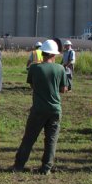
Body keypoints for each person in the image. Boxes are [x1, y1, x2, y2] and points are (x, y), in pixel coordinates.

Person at [13, 40, 69, 175]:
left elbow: (32, 85)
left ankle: (19, 165)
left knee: (29, 138)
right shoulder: (60, 69)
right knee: (51, 139)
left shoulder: (34, 68)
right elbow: (64, 89)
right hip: (55, 109)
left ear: (42, 53)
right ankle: (46, 168)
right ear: (54, 55)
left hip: (38, 109)